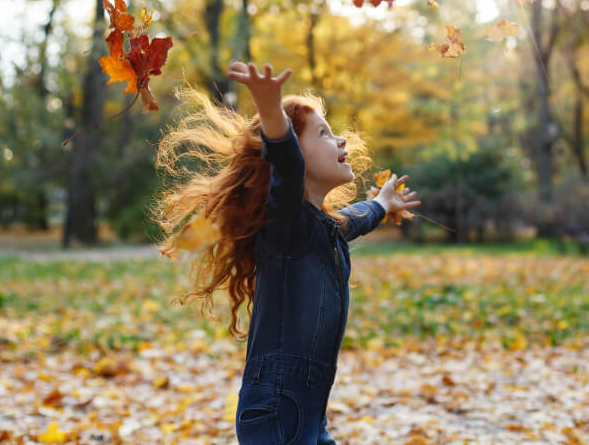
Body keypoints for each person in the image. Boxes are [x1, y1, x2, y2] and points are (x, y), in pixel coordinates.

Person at [151, 61, 420, 444]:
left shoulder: (324, 227)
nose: (341, 140)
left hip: (306, 411)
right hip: (277, 408)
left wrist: (382, 202)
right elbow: (288, 161)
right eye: (324, 134)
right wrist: (270, 109)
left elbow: (358, 217)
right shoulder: (284, 225)